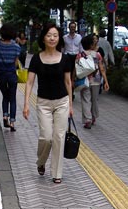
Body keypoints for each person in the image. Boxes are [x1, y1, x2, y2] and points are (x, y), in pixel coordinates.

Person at [23, 22, 73, 184]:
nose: (52, 38)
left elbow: (68, 82)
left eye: (55, 35)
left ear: (59, 39)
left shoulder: (65, 59)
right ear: (43, 38)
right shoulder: (36, 59)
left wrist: (71, 105)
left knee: (58, 137)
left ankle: (56, 173)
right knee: (46, 138)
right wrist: (25, 105)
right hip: (43, 102)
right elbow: (29, 83)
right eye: (49, 35)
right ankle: (41, 162)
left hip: (62, 102)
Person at [0, 23, 21, 132]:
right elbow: (16, 64)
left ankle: (5, 116)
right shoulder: (16, 47)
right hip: (11, 75)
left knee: (5, 96)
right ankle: (12, 122)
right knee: (12, 98)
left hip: (0, 75)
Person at [74, 34, 109, 129]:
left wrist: (73, 79)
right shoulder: (97, 55)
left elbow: (76, 69)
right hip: (96, 80)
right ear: (90, 45)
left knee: (85, 100)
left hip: (84, 80)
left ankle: (87, 120)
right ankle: (93, 117)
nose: (95, 44)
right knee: (94, 100)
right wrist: (106, 81)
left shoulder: (80, 55)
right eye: (94, 43)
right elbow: (102, 69)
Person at [63, 21, 83, 99]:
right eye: (71, 27)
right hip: (67, 56)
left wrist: (82, 55)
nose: (72, 29)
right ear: (69, 28)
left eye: (74, 27)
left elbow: (81, 48)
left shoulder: (79, 37)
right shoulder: (65, 37)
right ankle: (68, 92)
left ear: (75, 28)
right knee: (68, 74)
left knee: (75, 75)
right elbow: (63, 49)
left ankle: (72, 91)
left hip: (76, 56)